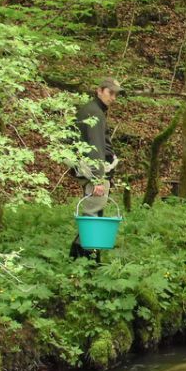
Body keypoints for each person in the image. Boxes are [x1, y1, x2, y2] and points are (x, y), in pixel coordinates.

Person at [69, 77, 121, 260]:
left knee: (95, 212)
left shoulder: (93, 110)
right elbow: (95, 147)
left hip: (89, 170)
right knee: (93, 214)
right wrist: (98, 179)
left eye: (116, 94)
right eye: (110, 92)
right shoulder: (94, 113)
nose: (113, 97)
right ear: (99, 90)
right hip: (92, 172)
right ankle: (85, 258)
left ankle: (84, 256)